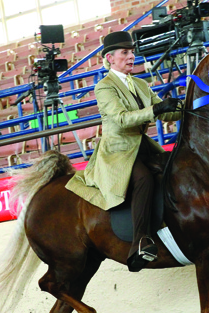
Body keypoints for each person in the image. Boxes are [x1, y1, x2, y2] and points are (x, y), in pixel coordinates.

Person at [80, 31, 181, 272]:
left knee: (176, 165)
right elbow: (122, 119)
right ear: (110, 58)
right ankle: (140, 241)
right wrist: (156, 110)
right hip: (118, 151)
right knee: (144, 179)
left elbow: (166, 112)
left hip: (141, 145)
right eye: (125, 52)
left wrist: (193, 106)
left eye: (132, 52)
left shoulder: (140, 84)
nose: (131, 56)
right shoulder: (104, 87)